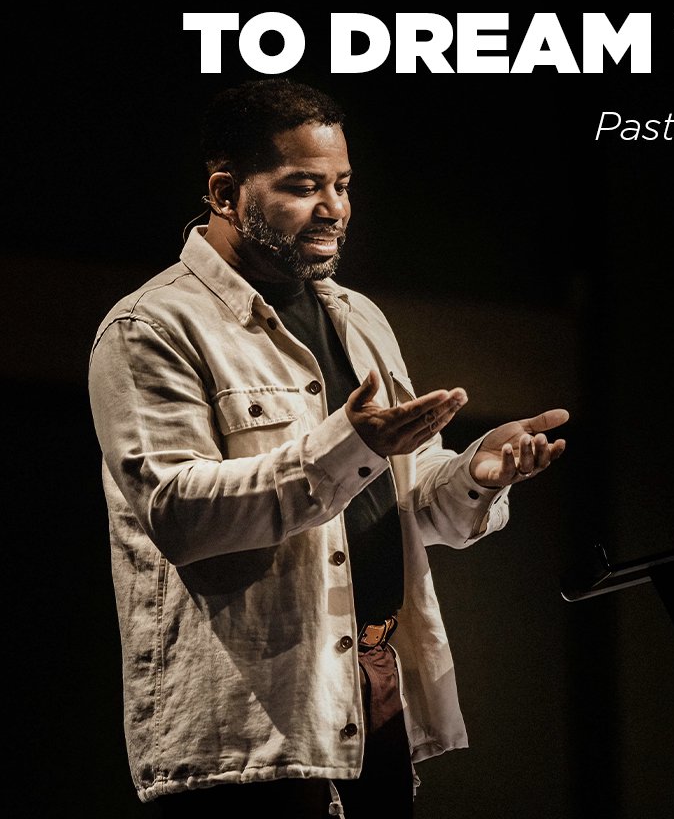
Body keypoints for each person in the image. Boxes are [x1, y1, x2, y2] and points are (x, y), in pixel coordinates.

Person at [88, 78, 568, 817]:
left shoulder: (358, 317)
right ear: (225, 193)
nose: (335, 209)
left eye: (342, 185)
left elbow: (402, 501)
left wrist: (475, 472)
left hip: (372, 684)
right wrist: (345, 446)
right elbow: (180, 515)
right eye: (303, 186)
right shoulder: (151, 328)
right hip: (249, 726)